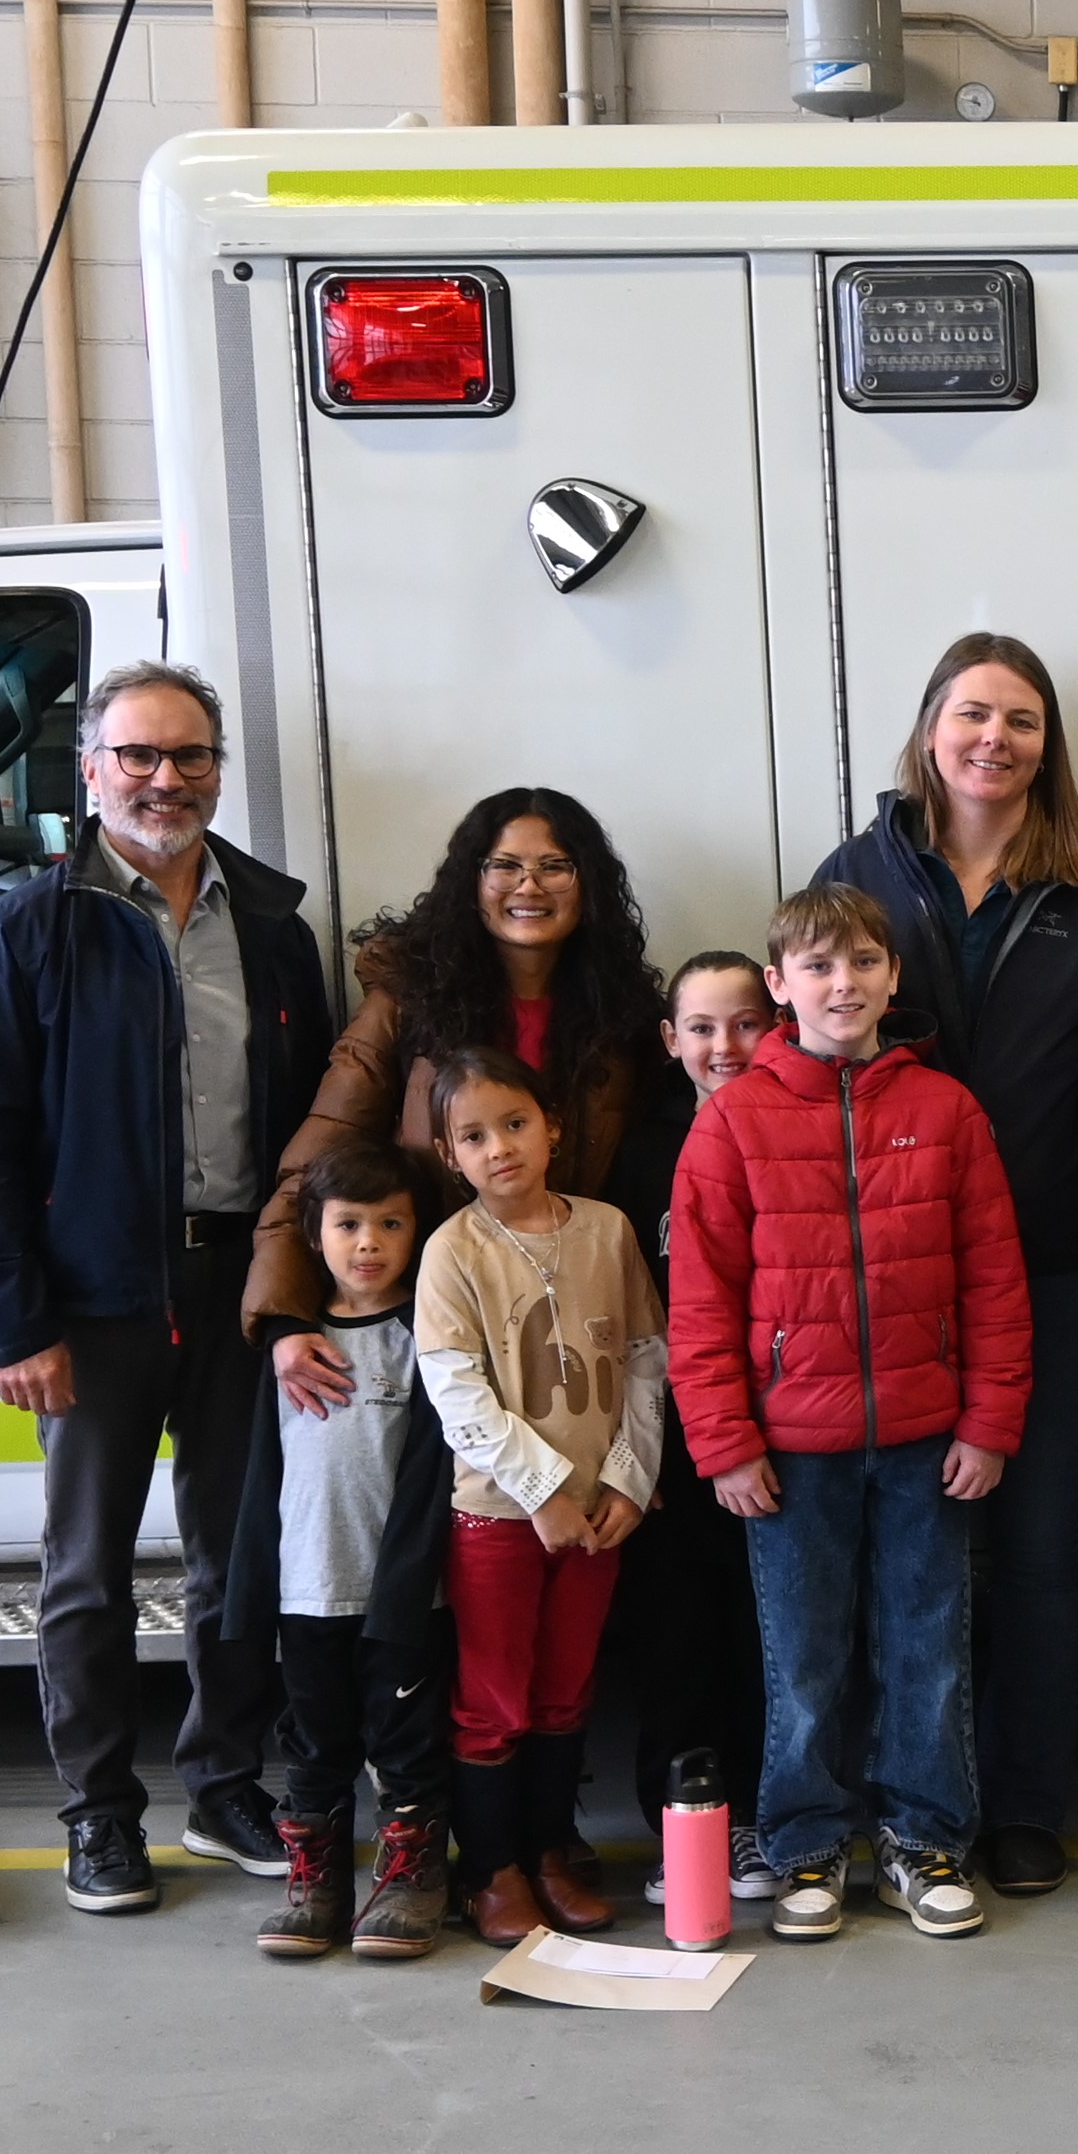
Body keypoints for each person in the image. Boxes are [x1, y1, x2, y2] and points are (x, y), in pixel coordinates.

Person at [0, 661, 332, 1913]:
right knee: (89, 1570)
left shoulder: (272, 925)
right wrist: (16, 1318)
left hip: (238, 1291)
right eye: (141, 756)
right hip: (92, 1299)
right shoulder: (26, 928)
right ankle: (99, 1815)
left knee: (240, 1553)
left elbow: (315, 1136)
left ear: (220, 769)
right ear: (91, 770)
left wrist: (301, 1295)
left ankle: (222, 1787)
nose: (169, 779)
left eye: (193, 756)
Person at [246, 787, 671, 1900]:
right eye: (503, 863)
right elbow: (326, 1152)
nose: (529, 886)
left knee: (568, 1641)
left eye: (556, 864)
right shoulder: (407, 1000)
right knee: (445, 1621)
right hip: (439, 1335)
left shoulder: (623, 1010)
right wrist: (290, 1315)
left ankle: (550, 1839)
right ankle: (463, 1851)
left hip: (579, 1327)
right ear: (467, 879)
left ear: (591, 884)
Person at [815, 635, 1078, 1900]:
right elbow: (815, 1063)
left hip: (1060, 1258)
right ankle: (919, 1804)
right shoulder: (858, 874)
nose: (994, 741)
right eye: (972, 714)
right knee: (909, 1549)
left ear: (1047, 745)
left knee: (1033, 1544)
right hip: (893, 1266)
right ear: (927, 729)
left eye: (1021, 721)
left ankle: (1023, 1806)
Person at [671, 882, 1033, 1945]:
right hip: (789, 1453)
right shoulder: (734, 1123)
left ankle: (925, 1843)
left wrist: (989, 1420)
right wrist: (727, 1443)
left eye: (863, 963)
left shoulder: (945, 1111)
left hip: (928, 1439)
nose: (844, 984)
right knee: (804, 1659)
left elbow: (995, 1283)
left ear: (891, 978)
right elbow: (700, 1302)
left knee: (929, 1649)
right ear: (779, 986)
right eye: (819, 967)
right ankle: (807, 1847)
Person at [412, 1047, 669, 1944]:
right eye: (473, 1136)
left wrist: (630, 1481)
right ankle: (493, 1872)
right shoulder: (453, 1252)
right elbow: (457, 1392)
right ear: (450, 1154)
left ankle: (552, 1853)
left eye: (514, 1124)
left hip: (601, 1513)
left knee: (566, 1691)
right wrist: (545, 1491)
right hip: (499, 1516)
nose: (500, 1149)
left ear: (551, 1125)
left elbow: (645, 1358)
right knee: (493, 1700)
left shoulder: (606, 1229)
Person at [216, 1140, 457, 1960]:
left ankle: (412, 1876)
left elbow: (431, 1475)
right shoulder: (291, 1344)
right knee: (314, 1742)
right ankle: (316, 1880)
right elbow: (261, 1481)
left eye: (390, 1224)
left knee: (405, 1742)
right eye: (349, 1224)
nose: (368, 1244)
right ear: (314, 1233)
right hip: (305, 1591)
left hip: (399, 1600)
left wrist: (410, 1585)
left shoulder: (424, 1336)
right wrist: (255, 1592)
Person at [614, 951, 785, 1910]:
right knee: (675, 1631)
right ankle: (683, 1815)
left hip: (785, 1425)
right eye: (703, 1029)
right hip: (676, 1433)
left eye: (747, 1023)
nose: (726, 1046)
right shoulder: (642, 1154)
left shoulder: (798, 1126)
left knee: (765, 1631)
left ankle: (760, 1818)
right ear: (671, 1041)